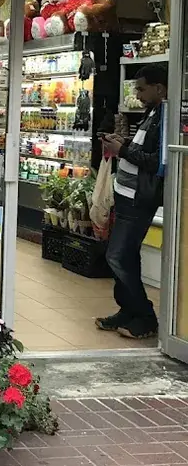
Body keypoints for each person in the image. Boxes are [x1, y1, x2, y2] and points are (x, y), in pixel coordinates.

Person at [96, 64, 167, 340]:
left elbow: (158, 162)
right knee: (124, 256)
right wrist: (123, 143)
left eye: (141, 88)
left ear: (159, 88)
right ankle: (127, 310)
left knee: (118, 256)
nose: (136, 94)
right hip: (126, 196)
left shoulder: (165, 117)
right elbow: (143, 151)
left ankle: (146, 316)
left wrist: (122, 149)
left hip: (139, 200)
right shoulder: (151, 113)